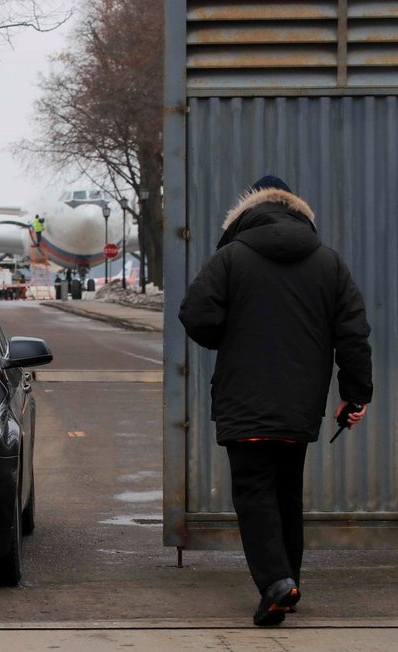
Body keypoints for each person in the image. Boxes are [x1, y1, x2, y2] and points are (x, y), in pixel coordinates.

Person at [179, 175, 372, 627]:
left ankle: (276, 584)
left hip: (244, 400)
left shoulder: (231, 257)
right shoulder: (329, 262)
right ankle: (288, 584)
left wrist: (230, 332)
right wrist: (354, 395)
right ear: (298, 212)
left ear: (246, 213)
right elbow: (353, 332)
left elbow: (196, 315)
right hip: (300, 404)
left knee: (254, 491)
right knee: (285, 492)